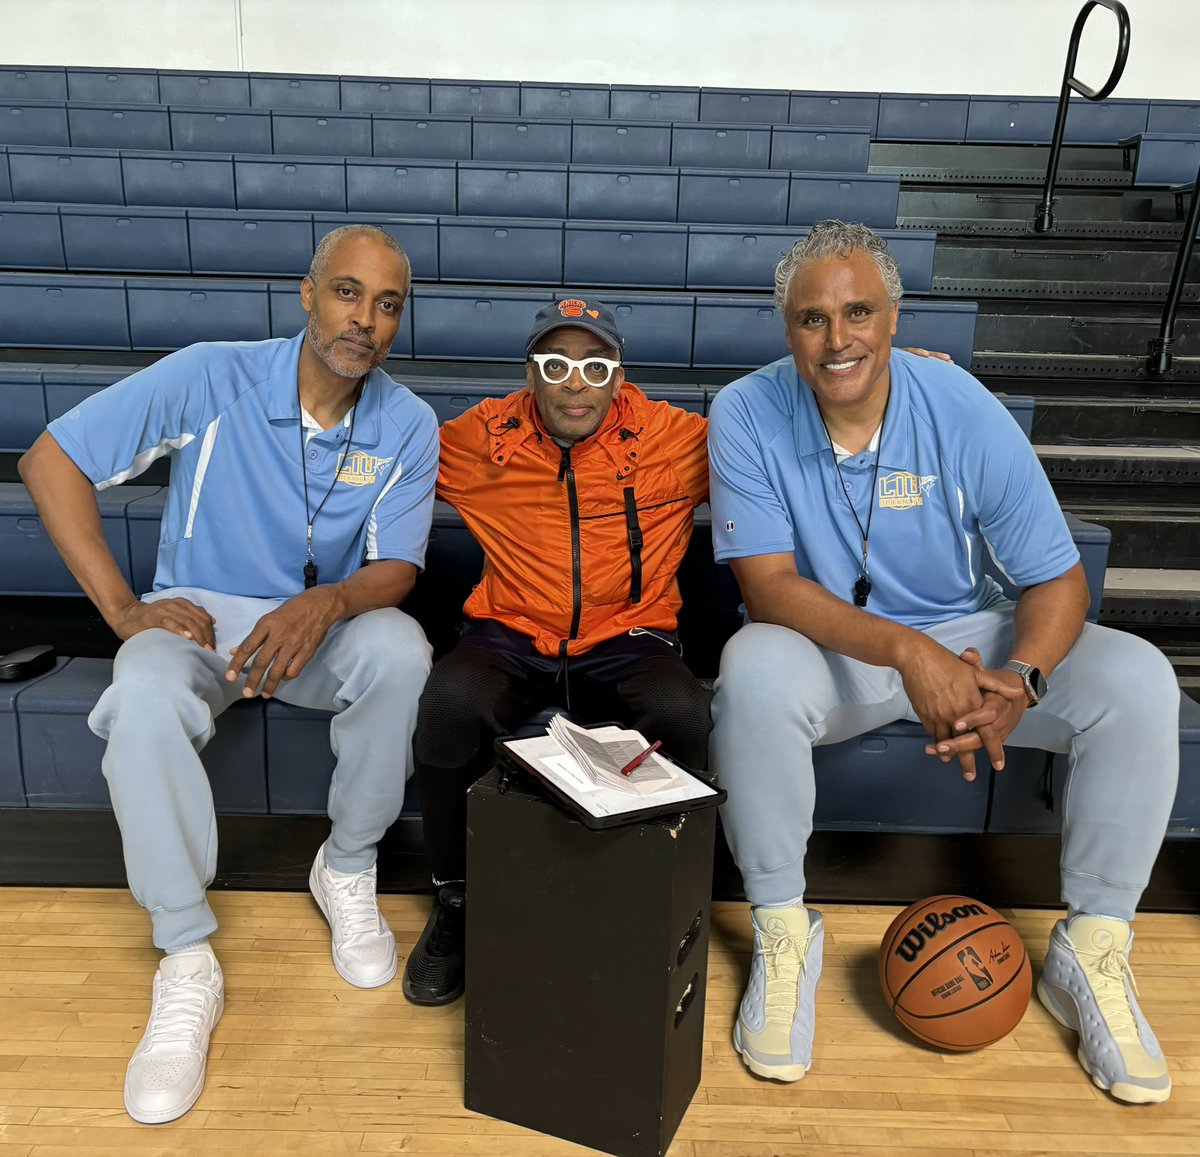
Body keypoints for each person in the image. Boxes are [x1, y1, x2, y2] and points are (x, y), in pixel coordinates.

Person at [707, 219, 1179, 1104]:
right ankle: (782, 928)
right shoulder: (744, 409)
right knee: (754, 663)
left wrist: (1023, 681)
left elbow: (1058, 580)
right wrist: (908, 651)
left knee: (1140, 678)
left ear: (894, 315)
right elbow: (769, 588)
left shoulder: (959, 402)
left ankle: (1096, 946)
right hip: (835, 649)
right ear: (787, 330)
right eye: (812, 318)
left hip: (975, 638)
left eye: (858, 312)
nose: (837, 337)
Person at [17, 225, 438, 1124]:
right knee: (140, 691)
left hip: (314, 623)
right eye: (347, 292)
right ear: (307, 293)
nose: (364, 319)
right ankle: (184, 956)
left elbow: (396, 568)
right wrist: (125, 610)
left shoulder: (407, 420)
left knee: (402, 648)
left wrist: (323, 606)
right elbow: (49, 460)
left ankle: (347, 867)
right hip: (199, 617)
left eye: (387, 303)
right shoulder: (214, 373)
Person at [402, 297, 713, 1006]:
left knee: (683, 708)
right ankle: (455, 896)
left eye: (595, 366)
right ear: (532, 374)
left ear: (617, 375)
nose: (577, 381)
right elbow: (383, 438)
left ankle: (676, 898)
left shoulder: (675, 437)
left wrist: (906, 373)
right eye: (557, 365)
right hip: (511, 629)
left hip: (629, 635)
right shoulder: (482, 437)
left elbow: (783, 429)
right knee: (449, 699)